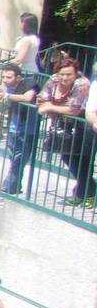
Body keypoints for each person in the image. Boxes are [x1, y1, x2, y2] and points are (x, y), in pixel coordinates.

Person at [36, 54, 95, 205]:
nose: (64, 77)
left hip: (84, 127)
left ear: (76, 73)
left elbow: (74, 109)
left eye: (69, 74)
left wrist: (51, 107)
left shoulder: (82, 83)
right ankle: (87, 191)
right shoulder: (54, 79)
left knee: (82, 161)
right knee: (67, 156)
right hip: (64, 127)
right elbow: (41, 99)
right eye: (62, 74)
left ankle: (86, 193)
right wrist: (52, 106)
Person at [0, 61, 40, 195]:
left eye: (8, 77)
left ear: (18, 77)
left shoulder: (29, 83)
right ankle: (15, 187)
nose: (5, 80)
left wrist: (7, 96)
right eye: (3, 77)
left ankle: (7, 188)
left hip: (27, 130)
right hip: (13, 129)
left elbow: (27, 98)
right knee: (14, 160)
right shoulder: (6, 88)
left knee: (18, 160)